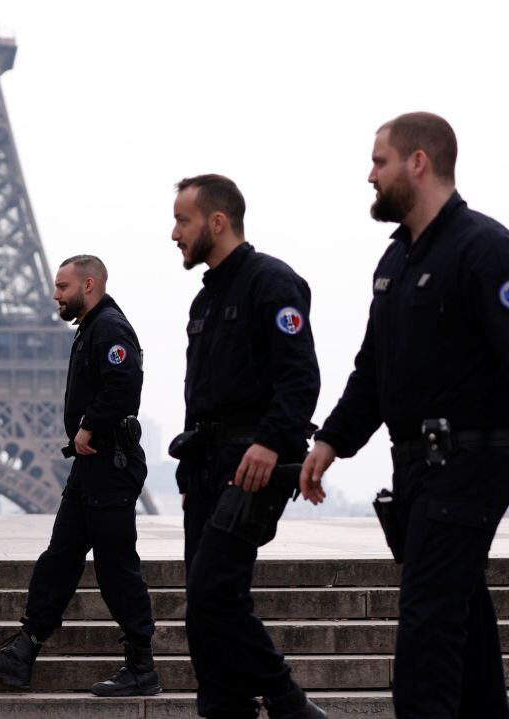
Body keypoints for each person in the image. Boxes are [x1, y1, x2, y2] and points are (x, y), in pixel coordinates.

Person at [299, 112, 509, 718]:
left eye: (379, 161)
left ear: (417, 162)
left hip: (470, 463)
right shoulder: (394, 263)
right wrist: (331, 441)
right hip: (417, 471)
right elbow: (373, 371)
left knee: (425, 635)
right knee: (462, 625)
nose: (370, 175)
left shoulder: (486, 248)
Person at [0, 254, 160, 697]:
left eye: (63, 287)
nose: (55, 295)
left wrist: (90, 424)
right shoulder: (91, 327)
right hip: (90, 467)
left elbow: (125, 384)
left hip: (109, 464)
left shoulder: (108, 327)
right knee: (60, 559)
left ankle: (142, 666)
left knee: (116, 567)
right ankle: (22, 654)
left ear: (89, 285)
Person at [170, 174, 325, 719]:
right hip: (209, 466)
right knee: (201, 606)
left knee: (215, 592)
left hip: (252, 466)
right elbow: (200, 398)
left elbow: (300, 380)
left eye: (182, 220)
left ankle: (287, 700)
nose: (173, 233)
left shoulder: (273, 283)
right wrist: (190, 479)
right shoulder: (205, 300)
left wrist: (268, 444)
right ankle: (225, 708)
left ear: (217, 222)